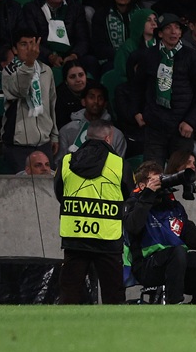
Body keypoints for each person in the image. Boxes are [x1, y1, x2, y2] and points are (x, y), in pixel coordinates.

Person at [123, 159, 196, 304]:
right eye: (155, 180)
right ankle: (175, 304)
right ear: (142, 185)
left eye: (161, 179)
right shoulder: (133, 204)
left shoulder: (173, 206)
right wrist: (148, 195)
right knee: (177, 252)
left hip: (178, 263)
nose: (160, 183)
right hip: (148, 266)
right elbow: (133, 227)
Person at [54, 119, 131, 304]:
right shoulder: (120, 164)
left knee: (70, 291)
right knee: (113, 294)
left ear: (86, 137)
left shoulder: (66, 161)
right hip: (107, 237)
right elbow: (129, 195)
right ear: (108, 138)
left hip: (75, 235)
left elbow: (59, 193)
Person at [130, 14, 196, 167]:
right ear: (160, 33)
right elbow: (137, 87)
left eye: (177, 28)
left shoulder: (191, 56)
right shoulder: (148, 56)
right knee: (152, 172)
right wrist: (137, 112)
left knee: (181, 173)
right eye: (168, 28)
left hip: (182, 127)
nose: (174, 31)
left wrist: (191, 121)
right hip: (154, 127)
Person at [1, 28, 58, 173]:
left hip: (44, 142)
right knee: (22, 185)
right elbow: (20, 90)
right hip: (19, 145)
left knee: (47, 184)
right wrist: (29, 64)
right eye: (23, 44)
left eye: (32, 43)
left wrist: (54, 135)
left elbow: (51, 104)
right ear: (15, 49)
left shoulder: (46, 70)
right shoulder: (9, 71)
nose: (29, 48)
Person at [23, 0, 96, 74]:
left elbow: (83, 39)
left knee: (90, 61)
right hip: (44, 57)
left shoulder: (75, 8)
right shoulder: (31, 9)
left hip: (71, 56)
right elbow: (31, 40)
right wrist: (50, 56)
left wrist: (74, 55)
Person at [57, 82, 127, 162]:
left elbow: (119, 164)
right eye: (91, 97)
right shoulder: (67, 130)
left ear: (105, 104)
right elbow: (59, 162)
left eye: (100, 98)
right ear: (83, 101)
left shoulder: (116, 134)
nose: (96, 101)